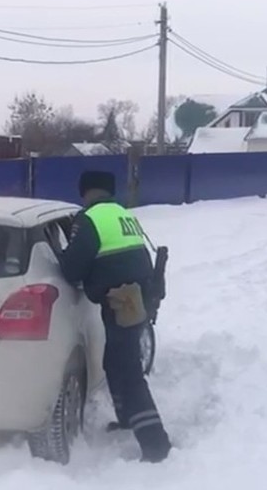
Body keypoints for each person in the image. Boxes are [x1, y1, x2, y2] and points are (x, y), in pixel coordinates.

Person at [57, 170, 172, 463]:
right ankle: (128, 418)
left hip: (123, 301)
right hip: (137, 298)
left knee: (128, 371)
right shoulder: (123, 214)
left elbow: (72, 269)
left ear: (86, 192)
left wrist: (61, 256)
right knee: (115, 362)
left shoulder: (90, 220)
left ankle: (156, 444)